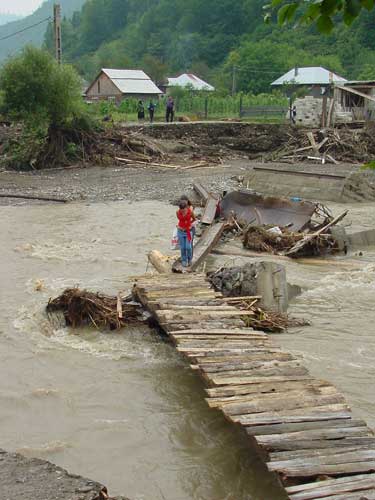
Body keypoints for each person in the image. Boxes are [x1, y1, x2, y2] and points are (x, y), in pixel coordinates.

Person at [176, 199, 196, 270]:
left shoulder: (190, 212)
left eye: (184, 210)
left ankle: (189, 259)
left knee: (188, 247)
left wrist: (190, 224)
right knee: (182, 247)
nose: (183, 212)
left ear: (186, 207)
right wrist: (179, 226)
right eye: (181, 210)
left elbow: (194, 219)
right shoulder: (177, 212)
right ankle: (184, 260)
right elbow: (180, 220)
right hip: (180, 231)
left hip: (188, 231)